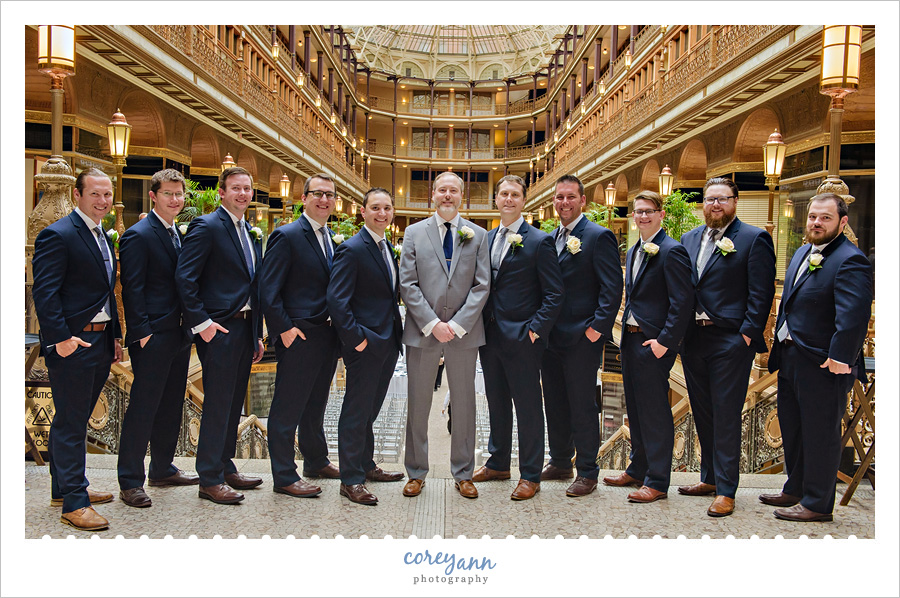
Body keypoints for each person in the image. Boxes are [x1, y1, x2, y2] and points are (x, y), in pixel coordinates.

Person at [762, 193, 872, 522]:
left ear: (842, 222)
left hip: (825, 363)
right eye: (812, 217)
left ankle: (818, 504)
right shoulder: (800, 253)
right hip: (792, 357)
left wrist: (841, 356)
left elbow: (854, 314)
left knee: (820, 435)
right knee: (793, 429)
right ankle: (795, 488)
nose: (816, 223)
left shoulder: (851, 259)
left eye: (825, 217)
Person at [677, 177, 776, 517]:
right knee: (702, 411)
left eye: (722, 199)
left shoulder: (752, 239)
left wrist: (746, 336)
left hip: (730, 339)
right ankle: (709, 478)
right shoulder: (688, 239)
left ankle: (728, 490)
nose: (715, 205)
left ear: (735, 201)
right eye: (709, 199)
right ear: (702, 203)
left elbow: (761, 293)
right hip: (693, 339)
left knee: (726, 414)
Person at [32, 167, 123, 530]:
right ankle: (74, 502)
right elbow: (45, 293)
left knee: (74, 417)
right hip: (73, 342)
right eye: (95, 194)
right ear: (77, 196)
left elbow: (105, 293)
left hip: (100, 340)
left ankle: (63, 487)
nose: (103, 201)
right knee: (71, 422)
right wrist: (61, 339)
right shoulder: (58, 234)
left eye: (107, 194)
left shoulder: (102, 235)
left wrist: (115, 336)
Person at [176, 166, 265, 505]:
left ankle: (226, 466)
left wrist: (256, 333)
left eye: (247, 189)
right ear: (223, 192)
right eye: (236, 188)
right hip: (220, 329)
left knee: (231, 405)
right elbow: (186, 278)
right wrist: (204, 324)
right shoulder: (207, 226)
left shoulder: (247, 231)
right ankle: (209, 478)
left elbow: (251, 285)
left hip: (245, 329)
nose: (242, 194)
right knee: (216, 404)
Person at [399, 171, 490, 500]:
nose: (448, 195)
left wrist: (457, 324)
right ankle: (416, 472)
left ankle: (464, 472)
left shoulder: (478, 235)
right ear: (432, 195)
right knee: (418, 403)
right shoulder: (413, 233)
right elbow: (407, 283)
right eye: (442, 190)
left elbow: (482, 285)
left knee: (464, 404)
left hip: (464, 332)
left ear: (461, 196)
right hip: (423, 330)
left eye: (454, 190)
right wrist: (432, 323)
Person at [473, 175, 563, 500]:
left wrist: (535, 330)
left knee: (527, 407)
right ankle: (497, 462)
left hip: (524, 338)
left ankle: (530, 474)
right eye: (503, 194)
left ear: (523, 201)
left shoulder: (539, 241)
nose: (509, 199)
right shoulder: (486, 239)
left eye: (515, 195)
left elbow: (554, 293)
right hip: (490, 335)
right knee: (496, 402)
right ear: (496, 200)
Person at [260, 173, 346, 499]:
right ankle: (284, 476)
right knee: (287, 408)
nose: (324, 200)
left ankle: (316, 460)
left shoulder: (331, 238)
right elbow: (269, 291)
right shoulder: (287, 235)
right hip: (299, 335)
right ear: (304, 198)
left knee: (316, 405)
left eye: (329, 195)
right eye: (318, 194)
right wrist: (284, 329)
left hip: (326, 337)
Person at [117, 169, 199, 509]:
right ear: (154, 196)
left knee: (170, 405)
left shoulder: (174, 233)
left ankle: (162, 467)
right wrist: (143, 333)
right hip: (153, 336)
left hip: (178, 334)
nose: (176, 200)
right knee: (144, 407)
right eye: (169, 194)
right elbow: (131, 289)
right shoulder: (139, 234)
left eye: (179, 194)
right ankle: (130, 480)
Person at [603, 190, 692, 503]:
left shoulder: (672, 251)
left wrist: (665, 342)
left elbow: (682, 303)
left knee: (654, 412)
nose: (642, 216)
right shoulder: (634, 250)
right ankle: (638, 468)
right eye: (638, 211)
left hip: (653, 342)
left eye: (648, 211)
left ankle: (657, 481)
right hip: (629, 340)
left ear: (661, 214)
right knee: (637, 411)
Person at [541, 174, 623, 497]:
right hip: (551, 339)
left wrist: (596, 330)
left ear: (583, 201)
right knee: (555, 403)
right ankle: (560, 459)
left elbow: (611, 288)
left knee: (582, 405)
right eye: (559, 197)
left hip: (581, 339)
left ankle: (587, 470)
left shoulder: (597, 236)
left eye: (570, 197)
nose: (564, 203)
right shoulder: (550, 238)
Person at [326, 188, 404, 505]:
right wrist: (357, 339)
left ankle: (366, 464)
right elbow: (337, 300)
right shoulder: (352, 248)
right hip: (366, 344)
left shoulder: (385, 247)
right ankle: (351, 479)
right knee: (356, 412)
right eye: (375, 208)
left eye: (386, 208)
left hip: (387, 343)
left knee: (370, 411)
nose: (381, 213)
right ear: (363, 211)